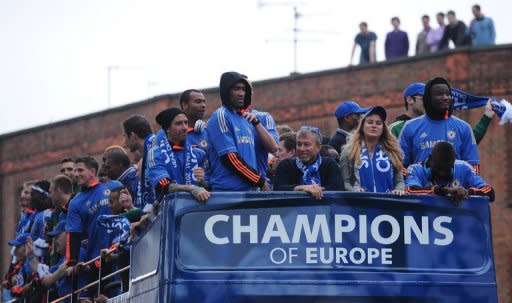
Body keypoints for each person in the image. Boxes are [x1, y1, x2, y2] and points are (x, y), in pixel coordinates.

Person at [206, 71, 270, 191]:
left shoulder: (246, 118)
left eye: (243, 89)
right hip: (228, 194)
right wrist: (259, 180)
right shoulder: (221, 116)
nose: (241, 93)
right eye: (236, 89)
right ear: (226, 91)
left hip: (249, 192)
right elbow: (230, 159)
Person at [399, 77, 480, 171]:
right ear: (428, 98)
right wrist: (414, 181)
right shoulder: (410, 127)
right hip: (421, 185)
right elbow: (399, 167)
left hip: (456, 185)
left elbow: (474, 167)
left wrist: (464, 184)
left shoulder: (464, 127)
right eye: (440, 94)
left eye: (448, 94)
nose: (445, 97)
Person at [149, 107, 210, 202]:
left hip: (197, 210)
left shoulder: (199, 154)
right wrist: (191, 188)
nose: (185, 127)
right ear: (167, 128)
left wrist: (202, 182)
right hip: (171, 212)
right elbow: (163, 185)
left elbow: (210, 187)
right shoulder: (155, 154)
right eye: (178, 123)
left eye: (186, 122)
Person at [340, 106, 405, 194]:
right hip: (362, 205)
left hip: (388, 204)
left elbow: (399, 181)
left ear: (383, 128)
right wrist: (354, 191)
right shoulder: (349, 151)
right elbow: (345, 182)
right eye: (370, 122)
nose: (374, 126)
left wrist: (399, 189)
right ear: (362, 126)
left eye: (378, 123)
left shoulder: (392, 150)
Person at [406, 141, 494, 205]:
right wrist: (444, 191)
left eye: (447, 170)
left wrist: (466, 192)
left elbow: (490, 192)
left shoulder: (465, 168)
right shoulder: (415, 169)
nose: (442, 173)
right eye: (439, 168)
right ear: (430, 158)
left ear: (454, 163)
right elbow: (410, 191)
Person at [274, 126, 343, 199]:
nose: (302, 149)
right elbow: (278, 189)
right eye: (299, 144)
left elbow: (338, 190)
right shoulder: (286, 165)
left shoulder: (329, 164)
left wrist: (315, 190)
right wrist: (302, 188)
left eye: (306, 144)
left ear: (318, 147)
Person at [25, 221, 71, 302]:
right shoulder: (62, 259)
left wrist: (50, 279)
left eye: (57, 237)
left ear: (68, 235)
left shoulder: (78, 252)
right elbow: (44, 273)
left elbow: (47, 280)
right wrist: (31, 256)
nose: (55, 242)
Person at [122, 115, 154, 209]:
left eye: (125, 137)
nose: (124, 143)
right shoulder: (151, 149)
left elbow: (164, 186)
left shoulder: (155, 151)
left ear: (132, 136)